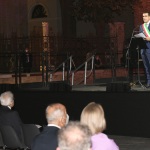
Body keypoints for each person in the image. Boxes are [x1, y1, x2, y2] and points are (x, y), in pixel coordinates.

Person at [139, 12, 150, 88]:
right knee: (146, 67)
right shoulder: (141, 26)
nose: (144, 18)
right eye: (143, 16)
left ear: (149, 17)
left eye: (145, 16)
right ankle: (148, 82)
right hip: (143, 49)